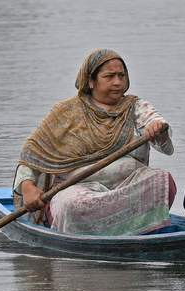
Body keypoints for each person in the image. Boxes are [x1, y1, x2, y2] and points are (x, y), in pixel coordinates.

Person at [13, 49, 176, 235]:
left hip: (127, 187)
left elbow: (155, 125)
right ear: (90, 81)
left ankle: (134, 229)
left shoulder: (135, 107)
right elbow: (32, 155)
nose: (117, 82)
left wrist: (157, 129)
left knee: (162, 180)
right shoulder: (66, 112)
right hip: (78, 190)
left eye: (121, 76)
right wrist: (28, 188)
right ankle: (96, 232)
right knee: (71, 206)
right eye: (109, 76)